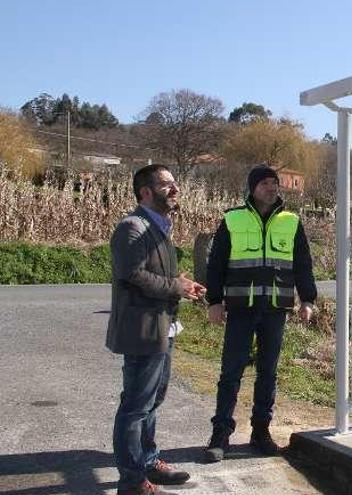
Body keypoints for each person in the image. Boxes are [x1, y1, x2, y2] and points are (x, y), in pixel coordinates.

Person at [203, 165, 317, 463]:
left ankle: (261, 431)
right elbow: (215, 264)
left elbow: (303, 264)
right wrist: (214, 301)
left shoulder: (292, 222)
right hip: (241, 309)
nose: (272, 187)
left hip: (276, 310)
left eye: (274, 183)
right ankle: (220, 434)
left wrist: (308, 299)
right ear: (252, 188)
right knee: (231, 372)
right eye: (265, 183)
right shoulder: (232, 218)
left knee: (268, 372)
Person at [107, 164, 206, 495]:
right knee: (135, 407)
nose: (175, 189)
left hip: (162, 328)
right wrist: (174, 286)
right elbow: (132, 274)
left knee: (152, 400)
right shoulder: (132, 228)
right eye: (167, 185)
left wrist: (183, 286)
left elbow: (159, 278)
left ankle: (148, 461)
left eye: (175, 183)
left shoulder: (161, 227)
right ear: (145, 192)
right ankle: (132, 481)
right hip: (142, 330)